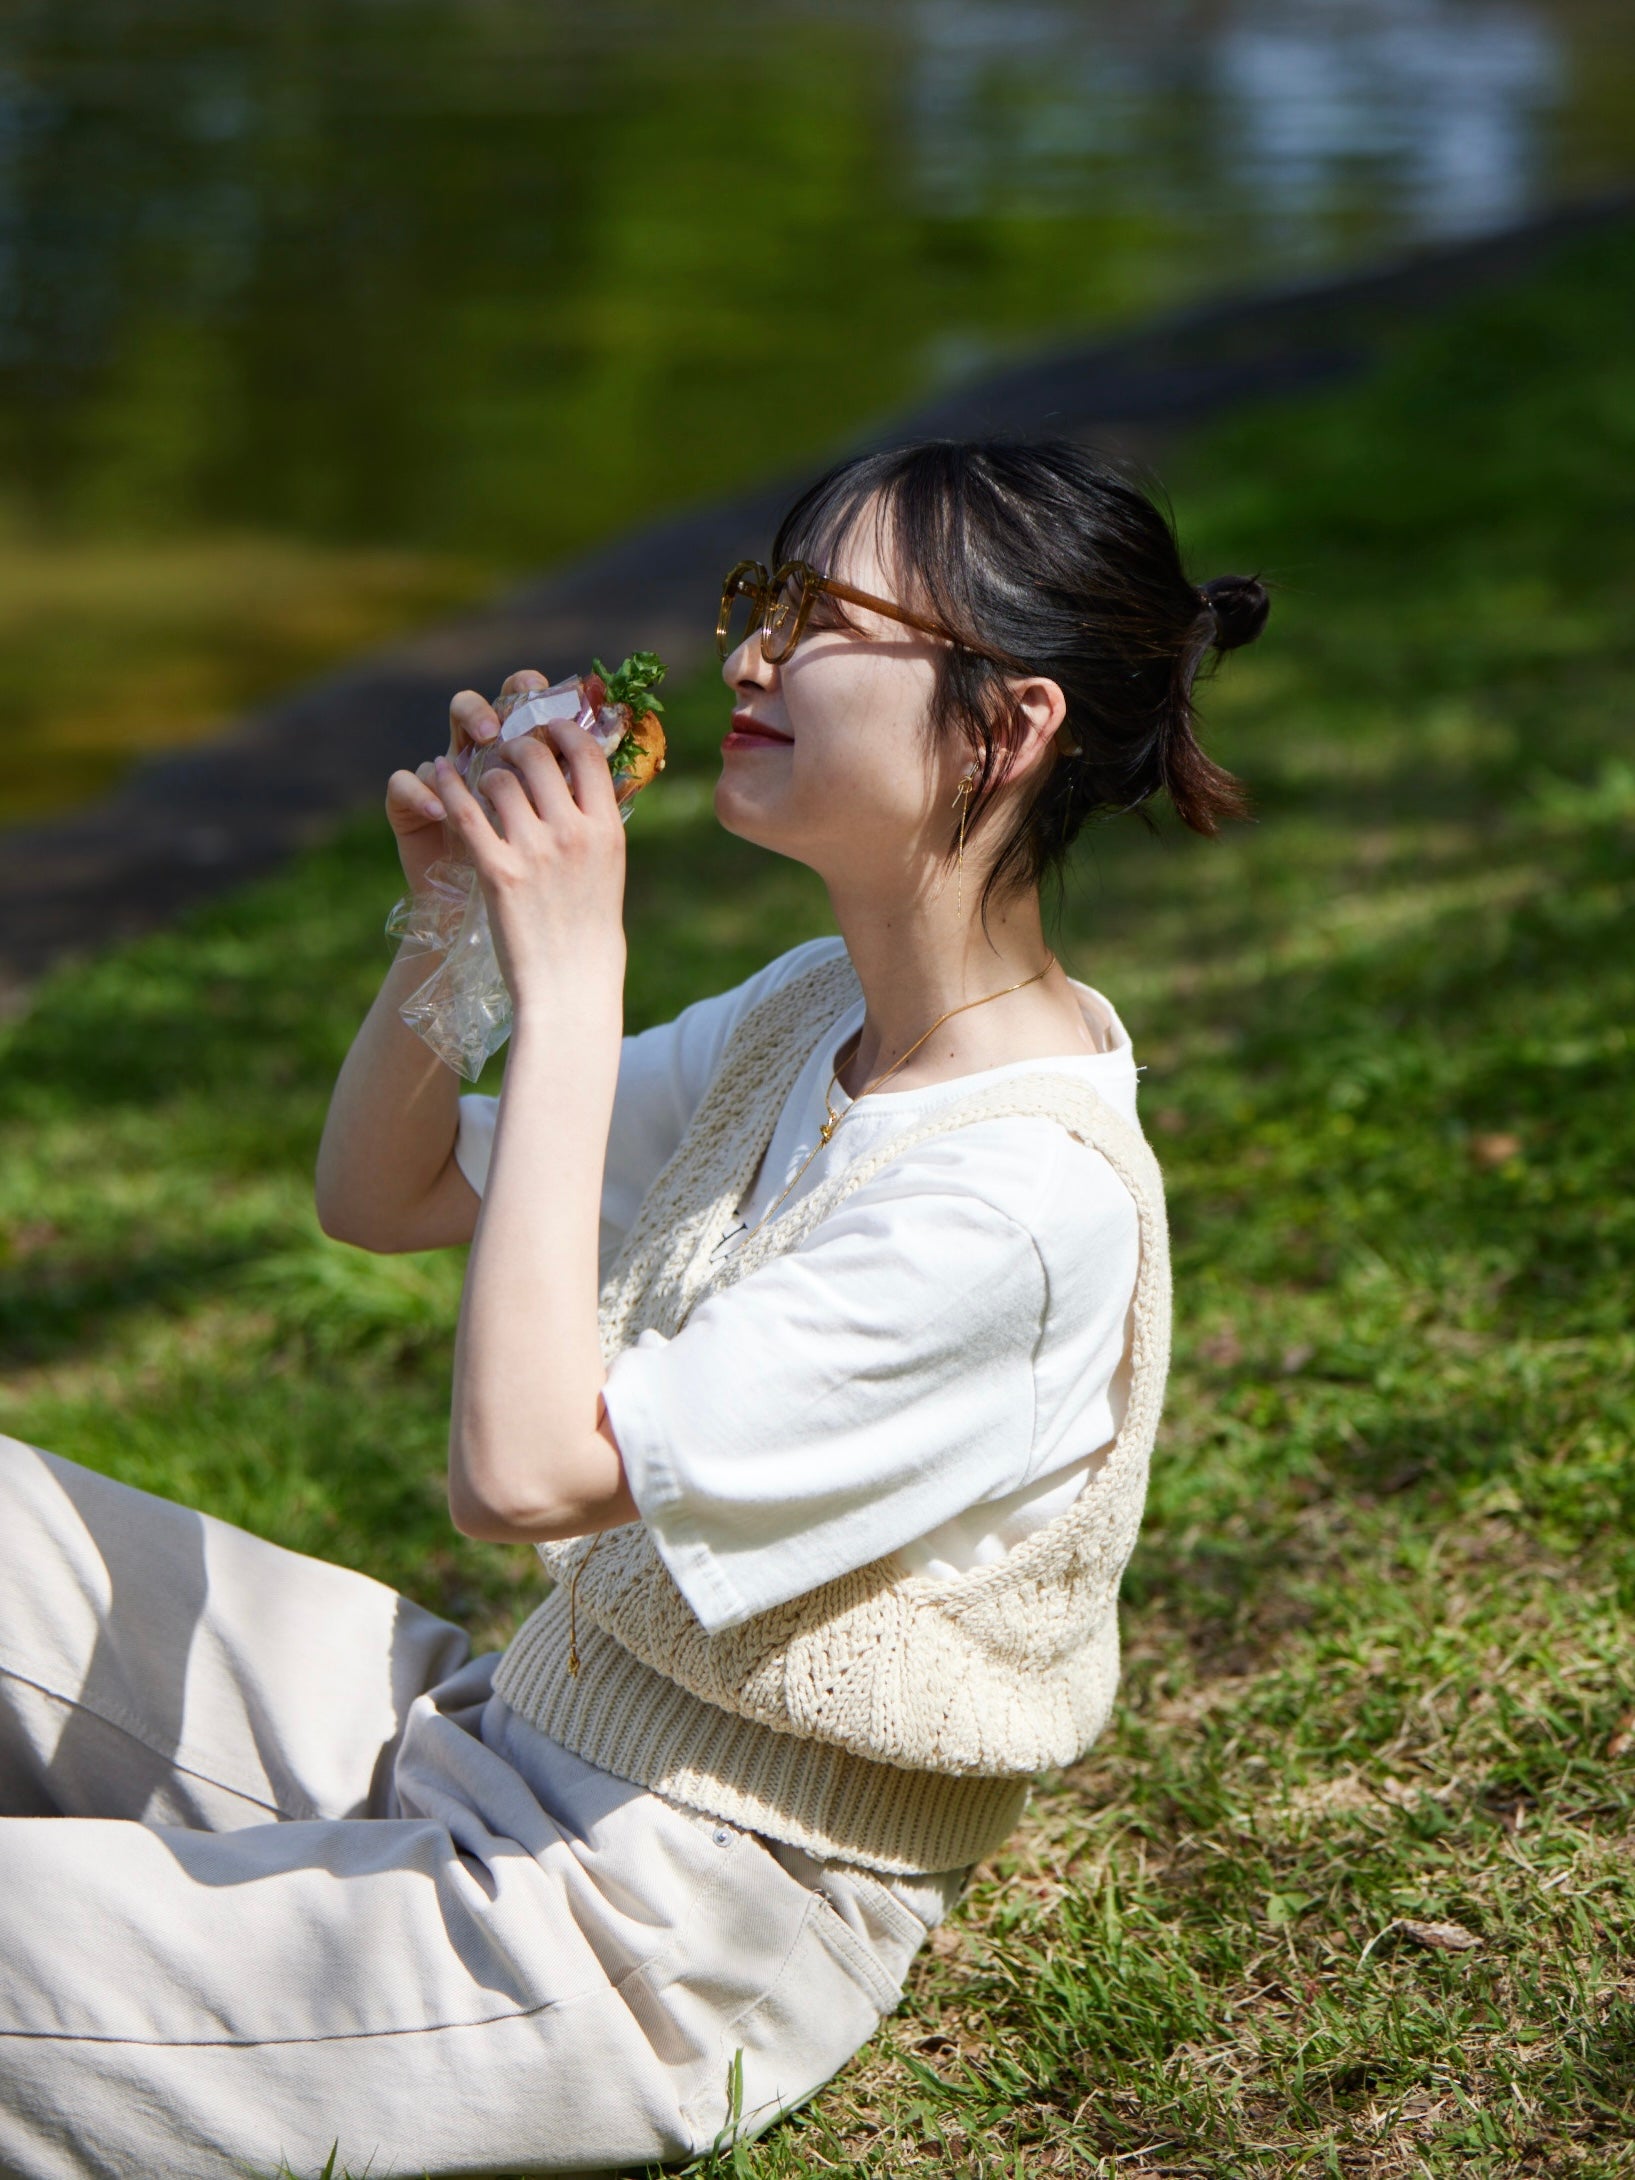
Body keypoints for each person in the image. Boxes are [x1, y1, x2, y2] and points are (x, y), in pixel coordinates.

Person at [0, 439, 1268, 2179]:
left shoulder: (1020, 1205)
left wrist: (574, 984)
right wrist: (454, 932)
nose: (748, 655)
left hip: (633, 1937)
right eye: (762, 597)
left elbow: (523, 1476)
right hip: (500, 1740)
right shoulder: (813, 1011)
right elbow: (390, 1198)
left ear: (1004, 724)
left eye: (822, 620)